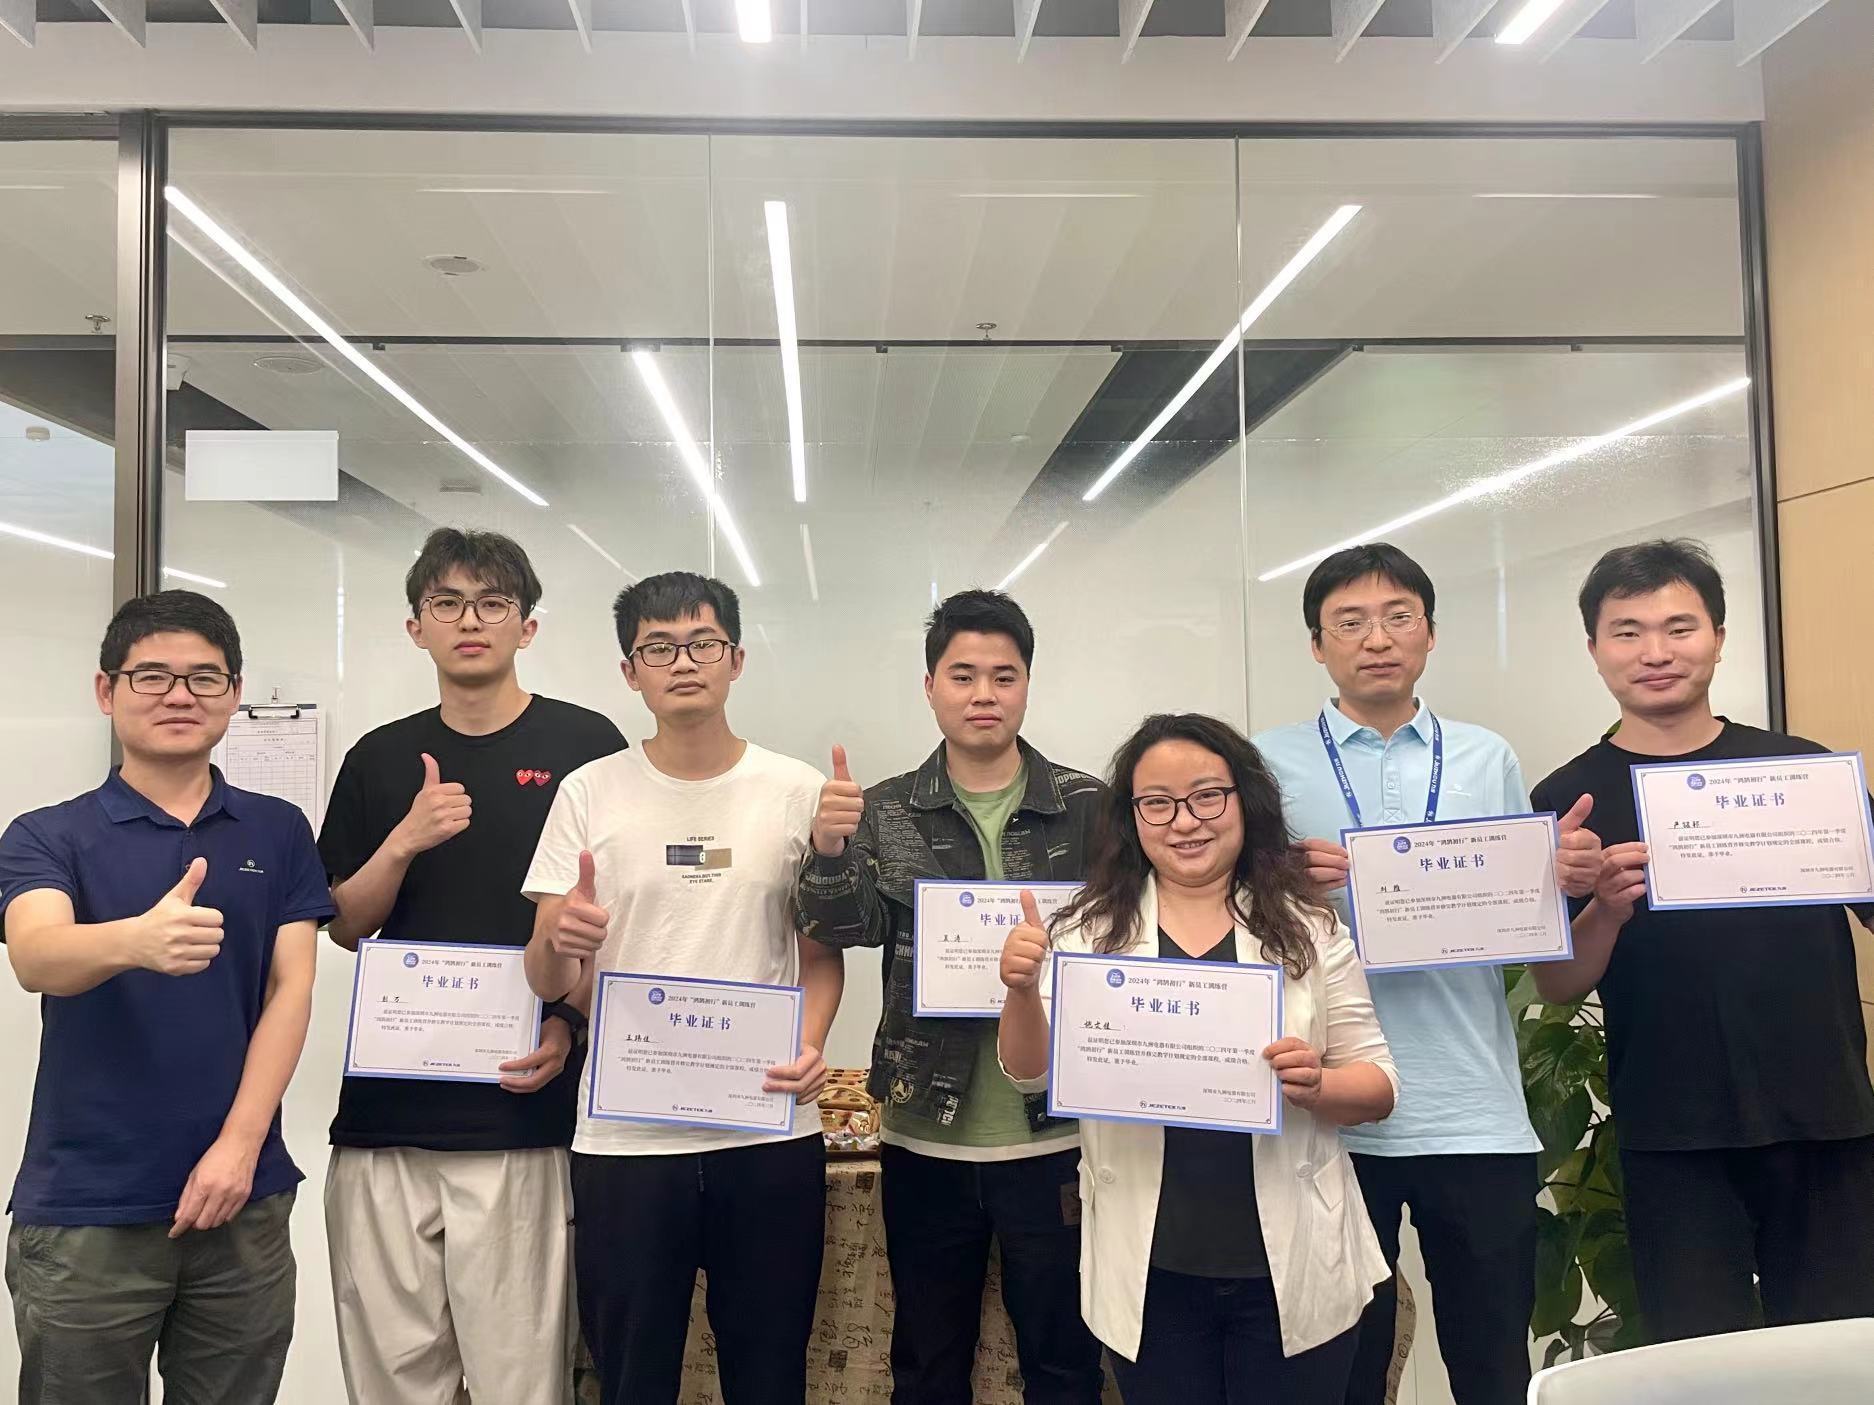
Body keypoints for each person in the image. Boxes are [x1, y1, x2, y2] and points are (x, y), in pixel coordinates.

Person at [1250, 543, 1601, 1405]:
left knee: (1491, 1364)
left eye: (1398, 616)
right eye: (1350, 622)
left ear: (1430, 633)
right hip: (1331, 1109)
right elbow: (1222, 910)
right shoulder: (1265, 762)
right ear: (1316, 645)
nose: (1377, 638)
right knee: (1340, 1368)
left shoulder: (1485, 755)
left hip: (1474, 1107)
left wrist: (1558, 879)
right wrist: (1275, 881)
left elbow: (1525, 917)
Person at [996, 712, 1399, 1405]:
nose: (1185, 821)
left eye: (1207, 796)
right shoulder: (1085, 933)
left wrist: (1318, 1085)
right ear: (1131, 818)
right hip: (1153, 1272)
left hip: (1291, 1264)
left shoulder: (1310, 928)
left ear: (1245, 800)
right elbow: (1031, 1072)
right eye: (1157, 803)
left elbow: (1379, 1085)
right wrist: (1022, 991)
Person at [1530, 538, 1874, 1343]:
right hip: (1671, 1128)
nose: (1656, 652)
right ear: (1594, 648)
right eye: (1628, 631)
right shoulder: (1568, 800)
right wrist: (1602, 905)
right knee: (1699, 1360)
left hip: (1823, 1113)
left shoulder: (1800, 771)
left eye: (1679, 627)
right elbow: (1557, 985)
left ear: (1718, 636)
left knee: (1836, 1357)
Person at [317, 528, 628, 1404]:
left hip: (521, 1115)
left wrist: (568, 1025)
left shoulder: (588, 746)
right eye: (446, 603)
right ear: (416, 626)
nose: (469, 620)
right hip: (385, 1117)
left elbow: (612, 918)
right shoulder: (379, 757)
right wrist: (405, 840)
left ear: (526, 626)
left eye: (492, 603)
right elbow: (343, 923)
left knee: (521, 1380)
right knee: (391, 1380)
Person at [520, 570, 843, 1405]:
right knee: (632, 1378)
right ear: (631, 671)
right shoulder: (589, 791)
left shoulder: (796, 790)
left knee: (769, 1375)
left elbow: (819, 955)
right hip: (628, 1141)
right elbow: (547, 975)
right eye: (659, 648)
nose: (684, 661)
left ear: (736, 658)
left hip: (767, 1128)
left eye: (703, 642)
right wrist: (559, 941)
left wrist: (811, 1043)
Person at [0, 590, 328, 1405]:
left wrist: (238, 1149)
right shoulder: (47, 833)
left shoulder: (278, 829)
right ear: (106, 690)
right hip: (88, 1207)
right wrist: (134, 941)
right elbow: (37, 954)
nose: (179, 695)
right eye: (151, 676)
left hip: (244, 1200)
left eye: (203, 677)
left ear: (234, 692)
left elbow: (291, 987)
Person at [796, 589, 1106, 1405]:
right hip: (925, 1131)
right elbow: (842, 927)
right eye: (963, 675)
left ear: (1028, 684)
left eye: (1004, 676)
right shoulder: (887, 808)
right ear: (930, 685)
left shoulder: (1089, 805)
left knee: (1064, 1362)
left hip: (1058, 1131)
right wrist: (829, 848)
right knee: (929, 1364)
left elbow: (1134, 933)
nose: (983, 694)